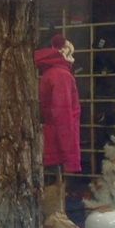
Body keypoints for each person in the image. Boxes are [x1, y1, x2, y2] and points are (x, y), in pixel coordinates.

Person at [33, 34, 81, 173]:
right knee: (56, 182)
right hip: (57, 146)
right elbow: (63, 115)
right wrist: (70, 156)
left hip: (52, 141)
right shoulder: (61, 75)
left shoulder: (51, 73)